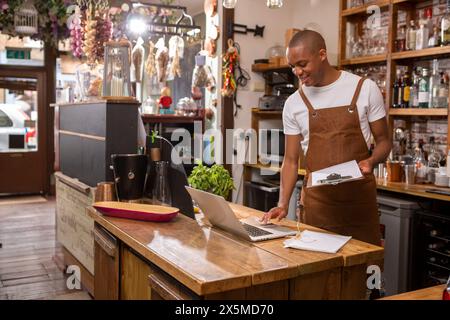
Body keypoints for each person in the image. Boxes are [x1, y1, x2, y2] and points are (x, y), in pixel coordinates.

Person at [261, 30, 392, 246]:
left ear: (322, 54)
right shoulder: (294, 103)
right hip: (317, 208)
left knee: (363, 274)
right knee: (319, 278)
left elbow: (385, 142)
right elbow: (291, 160)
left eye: (302, 64)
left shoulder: (364, 89)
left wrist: (371, 161)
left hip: (358, 205)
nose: (298, 72)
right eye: (293, 66)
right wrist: (283, 203)